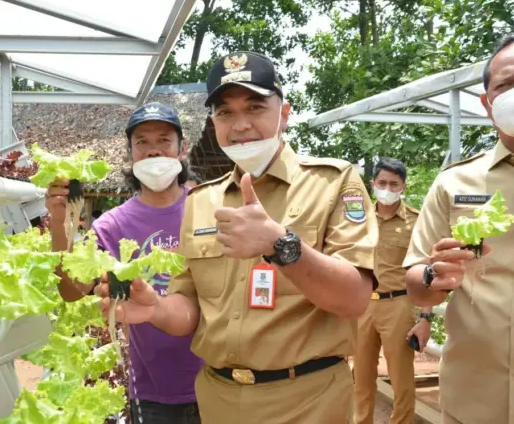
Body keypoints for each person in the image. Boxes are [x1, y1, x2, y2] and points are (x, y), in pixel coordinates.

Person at [96, 51, 379, 423]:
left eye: (255, 107)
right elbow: (191, 307)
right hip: (218, 399)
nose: (240, 124)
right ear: (213, 122)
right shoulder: (200, 201)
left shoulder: (332, 182)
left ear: (285, 112)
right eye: (225, 112)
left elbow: (355, 299)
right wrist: (158, 310)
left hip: (307, 401)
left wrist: (280, 245)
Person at [45, 102, 203, 424]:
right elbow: (73, 290)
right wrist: (60, 223)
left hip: (217, 377)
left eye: (163, 140)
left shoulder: (207, 206)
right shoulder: (113, 225)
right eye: (141, 142)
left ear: (181, 149)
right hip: (153, 386)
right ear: (130, 153)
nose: (152, 151)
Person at [403, 35, 514, 424]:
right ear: (487, 103)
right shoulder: (455, 183)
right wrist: (435, 275)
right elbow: (416, 282)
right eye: (507, 85)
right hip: (475, 398)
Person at [353, 157, 432, 424]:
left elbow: (427, 273)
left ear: (403, 187)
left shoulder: (415, 221)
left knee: (402, 381)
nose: (387, 188)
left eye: (394, 184)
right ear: (372, 183)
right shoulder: (357, 219)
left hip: (398, 305)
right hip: (361, 306)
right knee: (360, 379)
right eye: (382, 182)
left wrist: (425, 317)